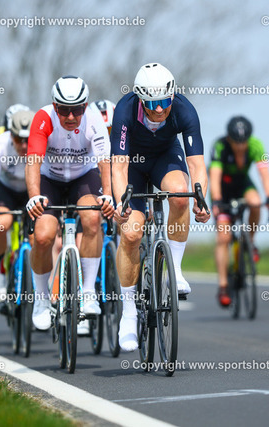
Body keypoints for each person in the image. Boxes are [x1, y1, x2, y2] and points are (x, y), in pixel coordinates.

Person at [110, 62, 210, 352]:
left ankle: (174, 270)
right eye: (152, 104)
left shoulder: (184, 110)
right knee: (131, 234)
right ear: (141, 99)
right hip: (133, 165)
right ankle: (129, 313)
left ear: (172, 96)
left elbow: (197, 166)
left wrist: (201, 200)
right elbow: (119, 167)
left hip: (165, 158)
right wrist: (121, 203)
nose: (159, 110)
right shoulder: (125, 110)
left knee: (180, 195)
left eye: (165, 102)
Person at [25, 76, 115, 334]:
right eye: (64, 110)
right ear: (55, 106)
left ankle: (88, 293)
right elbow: (33, 161)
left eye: (77, 109)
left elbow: (104, 161)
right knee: (43, 236)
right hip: (49, 179)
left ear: (85, 106)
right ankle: (42, 299)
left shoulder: (94, 119)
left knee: (92, 219)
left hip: (82, 177)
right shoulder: (43, 118)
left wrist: (108, 196)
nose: (71, 116)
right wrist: (34, 196)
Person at [209, 116, 269, 307]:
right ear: (228, 138)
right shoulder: (220, 146)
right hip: (223, 188)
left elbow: (264, 174)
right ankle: (223, 286)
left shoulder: (256, 145)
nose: (240, 146)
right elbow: (214, 176)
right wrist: (217, 202)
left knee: (256, 202)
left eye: (243, 142)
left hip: (242, 184)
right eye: (236, 142)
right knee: (223, 237)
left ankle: (250, 242)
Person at [0, 109, 35, 306]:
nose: (24, 145)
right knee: (1, 224)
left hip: (31, 190)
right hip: (6, 191)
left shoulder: (44, 144)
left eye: (28, 140)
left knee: (39, 234)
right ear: (10, 135)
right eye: (19, 140)